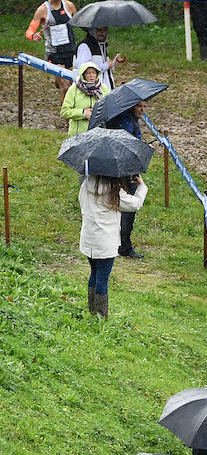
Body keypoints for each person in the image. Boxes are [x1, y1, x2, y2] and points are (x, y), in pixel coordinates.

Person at [77, 172, 148, 319]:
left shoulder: (86, 184)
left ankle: (93, 311)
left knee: (94, 273)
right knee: (102, 278)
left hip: (89, 238)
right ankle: (101, 316)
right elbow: (135, 204)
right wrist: (141, 186)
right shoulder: (113, 190)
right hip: (105, 242)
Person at [102, 98, 149, 260]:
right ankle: (124, 247)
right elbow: (128, 145)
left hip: (124, 168)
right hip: (125, 170)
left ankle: (120, 244)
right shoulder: (126, 122)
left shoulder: (129, 119)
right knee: (127, 210)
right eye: (139, 106)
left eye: (144, 106)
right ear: (131, 105)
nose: (142, 110)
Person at [25, 0, 77, 98]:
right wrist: (33, 35)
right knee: (66, 88)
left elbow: (80, 22)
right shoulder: (42, 10)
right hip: (54, 53)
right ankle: (66, 116)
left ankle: (57, 80)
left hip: (70, 50)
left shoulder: (69, 6)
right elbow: (29, 31)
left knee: (73, 86)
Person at [60, 61, 109, 136]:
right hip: (77, 135)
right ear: (83, 75)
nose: (91, 75)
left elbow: (109, 107)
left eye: (93, 73)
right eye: (88, 73)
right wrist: (83, 113)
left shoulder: (103, 89)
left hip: (98, 134)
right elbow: (65, 111)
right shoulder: (74, 89)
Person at [75, 27, 123, 93]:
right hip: (91, 91)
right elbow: (83, 68)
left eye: (104, 30)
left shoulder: (102, 46)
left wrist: (115, 62)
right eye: (99, 30)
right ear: (92, 30)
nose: (102, 33)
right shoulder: (85, 46)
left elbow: (107, 70)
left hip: (105, 89)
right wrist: (106, 65)